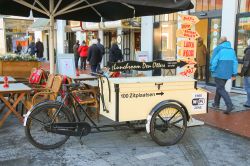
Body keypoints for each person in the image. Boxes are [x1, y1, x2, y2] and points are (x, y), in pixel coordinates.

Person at [210, 39, 238, 114]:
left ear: (221, 43)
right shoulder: (232, 51)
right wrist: (234, 73)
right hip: (227, 74)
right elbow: (235, 63)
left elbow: (214, 61)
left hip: (219, 73)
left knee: (221, 88)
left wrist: (212, 69)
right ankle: (216, 104)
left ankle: (230, 105)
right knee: (219, 87)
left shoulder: (220, 49)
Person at [240, 39, 250, 108]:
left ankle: (248, 103)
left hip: (249, 73)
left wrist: (242, 73)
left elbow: (246, 63)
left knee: (248, 88)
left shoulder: (249, 51)